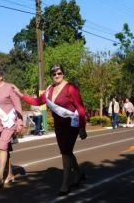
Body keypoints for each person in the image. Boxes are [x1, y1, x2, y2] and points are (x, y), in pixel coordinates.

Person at [13, 64, 87, 196]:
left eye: (59, 73)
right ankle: (78, 174)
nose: (57, 76)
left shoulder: (71, 88)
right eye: (54, 74)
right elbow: (36, 101)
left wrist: (82, 127)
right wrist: (20, 94)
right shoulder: (49, 90)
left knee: (65, 151)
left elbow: (80, 108)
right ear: (51, 76)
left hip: (71, 124)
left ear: (63, 74)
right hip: (59, 125)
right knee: (67, 151)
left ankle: (65, 183)